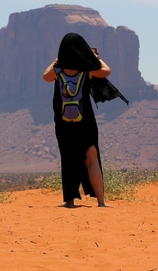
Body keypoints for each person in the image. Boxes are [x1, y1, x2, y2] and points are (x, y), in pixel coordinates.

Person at [43, 32, 111, 208]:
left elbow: (45, 76)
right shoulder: (87, 70)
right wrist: (94, 56)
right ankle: (101, 202)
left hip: (64, 122)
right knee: (92, 158)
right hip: (85, 121)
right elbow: (106, 71)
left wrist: (57, 60)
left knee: (69, 159)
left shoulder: (57, 71)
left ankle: (70, 201)